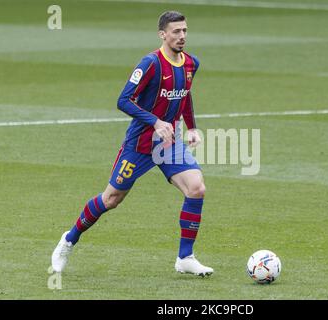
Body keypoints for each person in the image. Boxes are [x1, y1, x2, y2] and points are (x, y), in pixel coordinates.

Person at [51, 11, 213, 277]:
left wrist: (192, 126)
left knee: (196, 188)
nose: (182, 36)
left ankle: (185, 257)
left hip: (169, 144)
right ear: (163, 34)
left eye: (184, 31)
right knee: (111, 199)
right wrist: (155, 122)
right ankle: (68, 240)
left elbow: (185, 94)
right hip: (140, 145)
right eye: (176, 31)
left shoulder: (191, 64)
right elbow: (123, 100)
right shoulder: (150, 64)